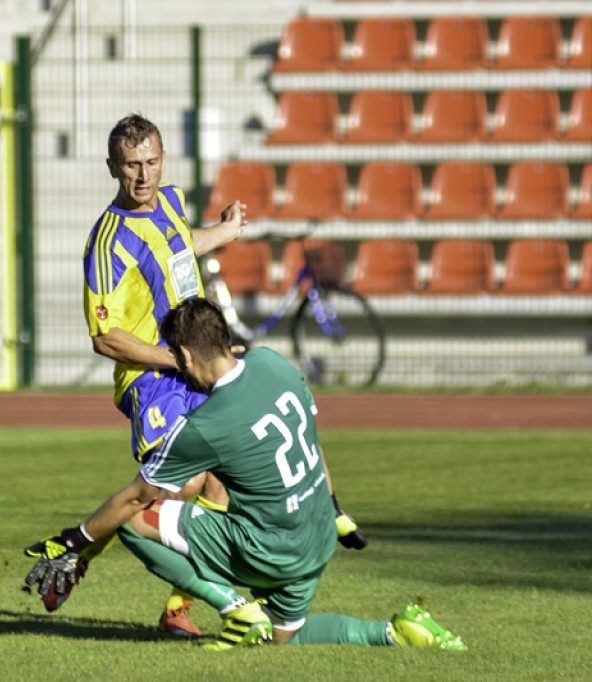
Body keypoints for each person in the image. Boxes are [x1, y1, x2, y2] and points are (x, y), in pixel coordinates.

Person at [43, 113, 365, 637]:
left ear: (163, 159)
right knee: (180, 481)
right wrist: (177, 358)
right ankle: (78, 553)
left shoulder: (168, 199)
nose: (142, 175)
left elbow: (179, 247)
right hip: (152, 377)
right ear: (112, 168)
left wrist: (228, 230)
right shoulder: (105, 243)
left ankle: (178, 608)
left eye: (150, 162)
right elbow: (104, 338)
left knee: (223, 479)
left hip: (190, 365)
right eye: (130, 166)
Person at [24, 297, 466, 653]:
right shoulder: (274, 362)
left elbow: (136, 498)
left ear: (183, 355)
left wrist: (75, 540)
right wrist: (334, 511)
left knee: (134, 521)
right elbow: (313, 441)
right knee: (278, 640)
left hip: (271, 549)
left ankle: (232, 604)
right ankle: (395, 632)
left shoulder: (204, 426)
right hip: (316, 536)